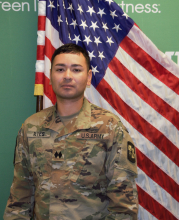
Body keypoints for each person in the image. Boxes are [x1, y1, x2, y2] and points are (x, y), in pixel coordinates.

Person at [4, 43, 138, 220]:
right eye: (60, 69)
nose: (67, 76)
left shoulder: (110, 127)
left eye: (76, 70)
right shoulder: (31, 127)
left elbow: (123, 208)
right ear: (50, 76)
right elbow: (19, 201)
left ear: (88, 77)